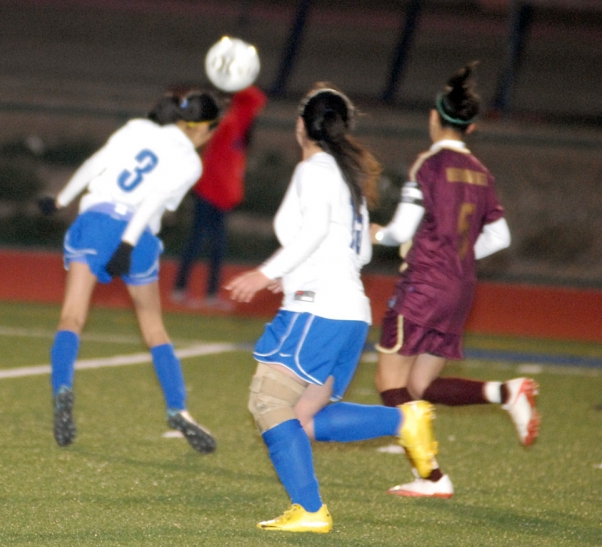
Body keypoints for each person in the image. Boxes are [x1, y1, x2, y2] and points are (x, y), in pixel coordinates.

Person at [226, 84, 439, 533]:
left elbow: (315, 233)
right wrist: (293, 273)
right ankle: (405, 420)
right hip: (349, 313)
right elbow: (357, 252)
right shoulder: (346, 180)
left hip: (317, 310)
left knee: (268, 402)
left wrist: (266, 274)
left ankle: (309, 509)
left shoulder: (315, 170)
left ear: (302, 125)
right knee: (303, 418)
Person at [370, 62, 540, 498]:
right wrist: (459, 256)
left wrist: (376, 234)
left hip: (424, 285)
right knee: (421, 386)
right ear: (472, 126)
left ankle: (432, 478)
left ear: (434, 116)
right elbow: (499, 236)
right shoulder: (481, 173)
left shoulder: (429, 164)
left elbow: (399, 232)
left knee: (390, 383)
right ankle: (507, 392)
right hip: (460, 288)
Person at [38, 90, 221, 454]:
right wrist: (127, 243)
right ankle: (177, 408)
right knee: (153, 327)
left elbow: (96, 163)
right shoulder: (190, 162)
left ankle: (62, 389)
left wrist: (60, 199)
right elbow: (153, 198)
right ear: (207, 129)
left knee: (71, 316)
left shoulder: (138, 128)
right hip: (137, 236)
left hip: (95, 220)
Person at [172, 85, 267, 309]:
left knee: (214, 247)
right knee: (198, 243)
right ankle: (182, 290)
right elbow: (255, 99)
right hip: (209, 193)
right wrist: (240, 81)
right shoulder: (231, 123)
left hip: (220, 197)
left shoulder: (236, 131)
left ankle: (205, 293)